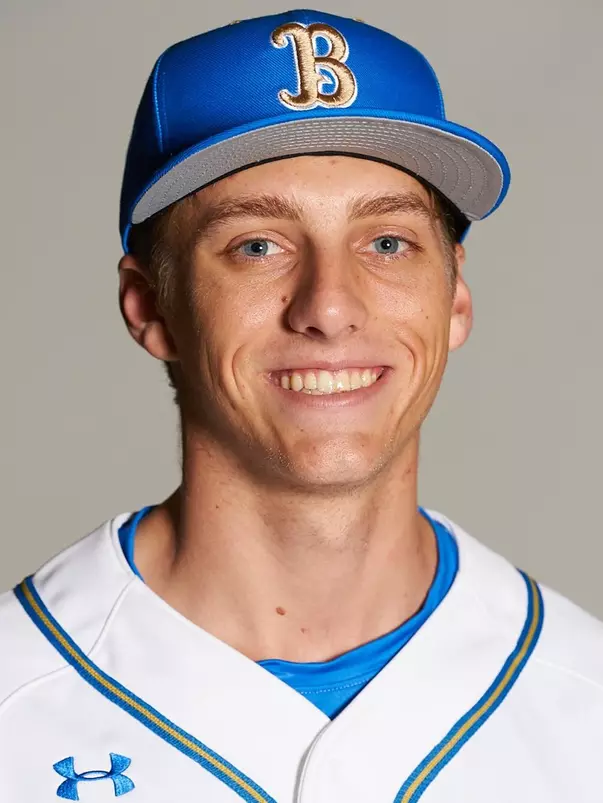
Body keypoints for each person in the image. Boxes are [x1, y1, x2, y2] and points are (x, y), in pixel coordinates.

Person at [1, 9, 602, 802]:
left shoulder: (585, 699)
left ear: (454, 296)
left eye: (386, 242)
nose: (329, 306)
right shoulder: (16, 698)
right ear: (149, 305)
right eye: (257, 245)